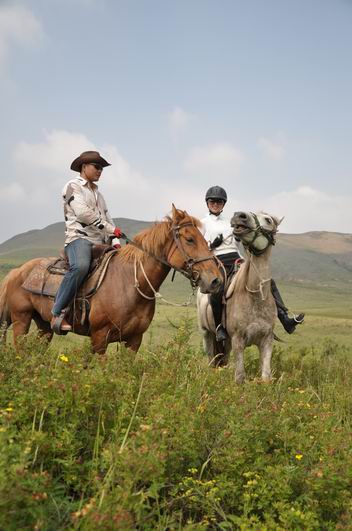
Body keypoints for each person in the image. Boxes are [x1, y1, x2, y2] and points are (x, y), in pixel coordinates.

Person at [201, 186, 304, 342]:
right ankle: (219, 327)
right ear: (207, 203)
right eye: (213, 201)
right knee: (217, 288)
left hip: (236, 258)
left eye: (219, 202)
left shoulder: (230, 222)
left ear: (223, 204)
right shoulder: (202, 223)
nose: (216, 204)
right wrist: (213, 246)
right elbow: (199, 249)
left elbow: (238, 241)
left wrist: (239, 237)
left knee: (267, 280)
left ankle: (285, 319)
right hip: (218, 260)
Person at [51, 151, 123, 332]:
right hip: (79, 238)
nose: (100, 171)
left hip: (100, 242)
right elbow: (83, 213)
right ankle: (57, 312)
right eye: (97, 167)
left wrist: (115, 240)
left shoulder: (99, 194)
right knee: (81, 266)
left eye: (102, 168)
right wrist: (110, 230)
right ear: (84, 167)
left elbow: (108, 218)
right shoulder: (72, 186)